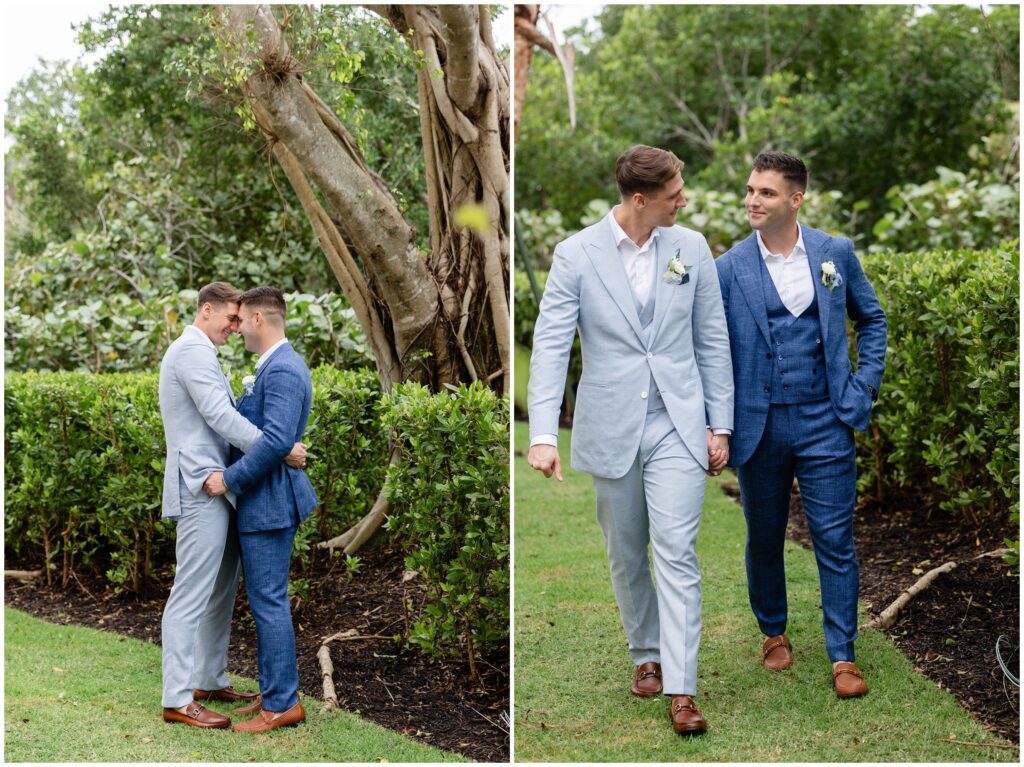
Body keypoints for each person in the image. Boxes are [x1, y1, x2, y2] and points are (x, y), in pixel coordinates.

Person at [527, 145, 733, 735]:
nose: (683, 201)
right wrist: (542, 433)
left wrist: (720, 424)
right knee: (627, 551)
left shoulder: (691, 248)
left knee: (676, 550)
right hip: (612, 422)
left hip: (678, 421)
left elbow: (712, 339)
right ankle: (646, 651)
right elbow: (550, 346)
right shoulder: (576, 255)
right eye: (674, 194)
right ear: (641, 200)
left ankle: (683, 688)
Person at [715, 151, 887, 698]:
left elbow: (873, 319)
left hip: (825, 420)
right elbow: (712, 350)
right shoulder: (728, 267)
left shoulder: (835, 253)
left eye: (765, 192)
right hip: (758, 426)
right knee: (763, 536)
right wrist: (716, 422)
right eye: (749, 190)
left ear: (796, 198)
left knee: (835, 538)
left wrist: (863, 387)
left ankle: (843, 654)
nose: (752, 201)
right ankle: (773, 631)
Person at [159, 281, 306, 729]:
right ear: (208, 310)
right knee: (192, 591)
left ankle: (207, 677)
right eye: (230, 318)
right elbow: (221, 417)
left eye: (240, 320)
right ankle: (178, 698)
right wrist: (280, 448)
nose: (234, 327)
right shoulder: (190, 351)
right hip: (202, 483)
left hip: (221, 487)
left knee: (220, 591)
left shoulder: (206, 353)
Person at [204, 286, 318, 733]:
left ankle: (283, 704)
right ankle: (274, 694)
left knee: (269, 603)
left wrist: (228, 480)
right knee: (265, 601)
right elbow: (275, 438)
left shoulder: (285, 369)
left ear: (258, 319)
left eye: (240, 320)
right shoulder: (272, 365)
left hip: (269, 503)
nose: (236, 328)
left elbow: (274, 440)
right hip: (262, 501)